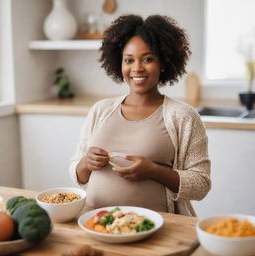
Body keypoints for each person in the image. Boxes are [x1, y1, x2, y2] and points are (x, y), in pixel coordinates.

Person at [70, 14, 211, 216]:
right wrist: (85, 162)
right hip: (94, 221)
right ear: (120, 64)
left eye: (148, 59)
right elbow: (78, 173)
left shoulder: (184, 117)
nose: (137, 68)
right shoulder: (101, 110)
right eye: (129, 60)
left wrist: (153, 171)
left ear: (163, 63)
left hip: (158, 230)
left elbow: (201, 184)